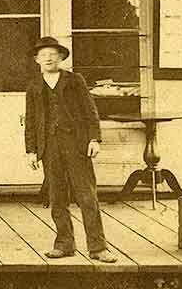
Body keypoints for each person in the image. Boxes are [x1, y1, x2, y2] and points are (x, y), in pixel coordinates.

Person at [25, 36, 118, 263]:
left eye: (52, 54)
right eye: (43, 55)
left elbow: (90, 111)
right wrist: (31, 150)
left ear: (60, 57)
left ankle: (98, 247)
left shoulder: (75, 80)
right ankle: (64, 244)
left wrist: (94, 139)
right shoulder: (34, 86)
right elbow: (31, 120)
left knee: (87, 196)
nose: (48, 58)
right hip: (49, 147)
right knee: (57, 197)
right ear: (37, 60)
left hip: (76, 145)